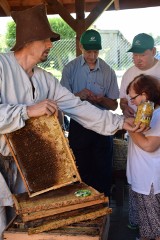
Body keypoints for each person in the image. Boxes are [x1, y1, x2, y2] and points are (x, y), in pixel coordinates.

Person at [0, 4, 146, 239]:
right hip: (0, 167)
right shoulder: (1, 67)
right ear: (29, 40)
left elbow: (79, 108)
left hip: (26, 170)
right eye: (47, 40)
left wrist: (119, 122)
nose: (50, 45)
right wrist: (27, 111)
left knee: (27, 227)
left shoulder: (44, 79)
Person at [60, 29, 119, 197]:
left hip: (102, 127)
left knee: (103, 171)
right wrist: (79, 95)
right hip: (79, 126)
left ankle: (103, 207)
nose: (92, 55)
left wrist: (101, 100)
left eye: (95, 51)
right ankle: (84, 209)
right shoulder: (70, 69)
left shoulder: (108, 71)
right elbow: (62, 102)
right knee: (80, 170)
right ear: (80, 47)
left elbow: (114, 105)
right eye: (88, 51)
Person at [119, 33, 160, 230]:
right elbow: (124, 100)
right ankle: (139, 225)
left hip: (150, 148)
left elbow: (149, 145)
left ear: (153, 51)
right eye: (134, 55)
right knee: (136, 180)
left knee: (151, 194)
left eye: (141, 55)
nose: (137, 59)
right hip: (137, 140)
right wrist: (126, 108)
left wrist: (129, 125)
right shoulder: (129, 72)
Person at [126, 74, 160, 240]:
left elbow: (149, 145)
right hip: (143, 179)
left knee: (154, 230)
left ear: (145, 95)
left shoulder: (158, 114)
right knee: (147, 229)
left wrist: (129, 126)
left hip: (150, 182)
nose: (131, 102)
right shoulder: (147, 113)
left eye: (133, 98)